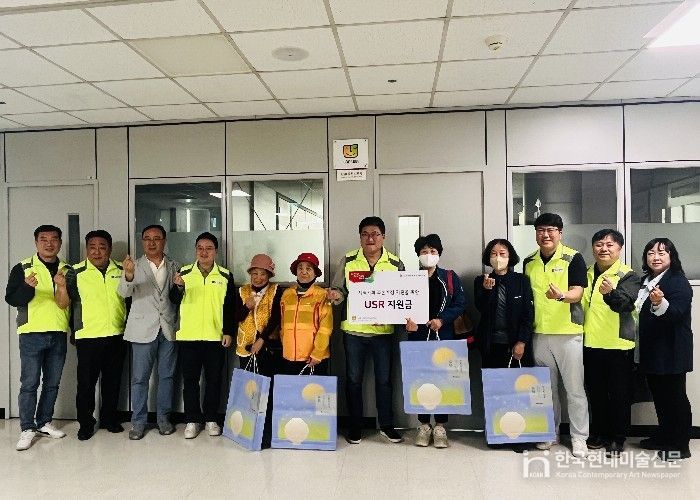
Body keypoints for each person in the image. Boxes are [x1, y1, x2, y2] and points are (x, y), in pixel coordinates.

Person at [328, 216, 405, 444]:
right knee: (353, 380)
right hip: (354, 332)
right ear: (360, 237)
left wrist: (394, 316)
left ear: (383, 237)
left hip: (383, 333)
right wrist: (335, 295)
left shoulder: (396, 264)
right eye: (365, 234)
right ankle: (355, 427)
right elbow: (339, 291)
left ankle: (387, 425)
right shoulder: (348, 260)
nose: (370, 238)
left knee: (384, 381)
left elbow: (402, 297)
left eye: (375, 234)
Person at [522, 213, 589, 458]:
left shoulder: (573, 257)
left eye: (551, 230)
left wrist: (561, 296)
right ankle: (550, 433)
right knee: (546, 389)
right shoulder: (529, 261)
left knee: (574, 389)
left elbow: (578, 292)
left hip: (568, 333)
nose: (546, 235)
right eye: (541, 230)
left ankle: (579, 437)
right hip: (539, 333)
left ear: (560, 233)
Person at [5, 225, 70, 451]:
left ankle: (44, 422)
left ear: (59, 242)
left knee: (52, 383)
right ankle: (27, 428)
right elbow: (11, 299)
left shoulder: (67, 269)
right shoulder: (23, 267)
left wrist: (62, 287)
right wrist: (26, 287)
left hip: (58, 332)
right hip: (31, 333)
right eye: (44, 239)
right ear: (36, 242)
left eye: (54, 239)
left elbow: (69, 302)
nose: (49, 243)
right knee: (30, 383)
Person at [170, 232, 235, 439]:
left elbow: (230, 307)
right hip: (188, 337)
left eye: (208, 248)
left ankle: (211, 419)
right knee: (190, 381)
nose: (204, 252)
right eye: (200, 248)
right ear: (195, 250)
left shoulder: (225, 275)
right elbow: (173, 300)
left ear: (215, 251)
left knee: (214, 380)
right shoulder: (184, 272)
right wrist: (178, 287)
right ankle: (192, 419)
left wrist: (228, 332)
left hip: (215, 337)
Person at [581, 229, 639, 455]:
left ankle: (618, 438)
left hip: (618, 345)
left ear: (619, 249)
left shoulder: (628, 275)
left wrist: (610, 293)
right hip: (591, 343)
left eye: (609, 245)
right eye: (599, 244)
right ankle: (599, 433)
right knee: (595, 393)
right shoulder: (587, 272)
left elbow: (625, 303)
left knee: (619, 395)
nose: (603, 249)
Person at [118, 224, 179, 440]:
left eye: (156, 238)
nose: (152, 242)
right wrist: (128, 275)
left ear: (164, 241)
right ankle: (138, 422)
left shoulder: (174, 265)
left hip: (168, 328)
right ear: (142, 241)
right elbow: (123, 293)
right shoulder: (134, 265)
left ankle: (163, 419)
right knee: (140, 379)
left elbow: (176, 296)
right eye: (147, 238)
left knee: (167, 376)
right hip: (142, 329)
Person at [66, 230, 128, 441]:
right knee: (86, 384)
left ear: (109, 249)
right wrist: (74, 330)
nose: (97, 252)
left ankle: (110, 419)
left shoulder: (122, 270)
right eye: (92, 247)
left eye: (102, 247)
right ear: (87, 249)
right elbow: (67, 305)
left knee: (113, 381)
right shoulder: (75, 272)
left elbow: (129, 300)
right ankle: (85, 424)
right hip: (88, 336)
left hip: (116, 334)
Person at [405, 234, 466, 449]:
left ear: (439, 254)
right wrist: (407, 323)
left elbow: (460, 303)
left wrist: (442, 319)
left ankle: (440, 427)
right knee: (420, 379)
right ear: (418, 255)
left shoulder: (449, 277)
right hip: (418, 338)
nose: (428, 255)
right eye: (424, 251)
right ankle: (423, 426)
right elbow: (399, 306)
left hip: (444, 336)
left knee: (442, 380)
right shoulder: (409, 278)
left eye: (432, 251)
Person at [636, 238, 693, 461]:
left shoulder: (677, 281)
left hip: (672, 350)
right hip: (653, 350)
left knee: (675, 399)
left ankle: (680, 446)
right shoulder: (646, 280)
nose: (656, 257)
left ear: (671, 256)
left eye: (661, 253)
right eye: (651, 253)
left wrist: (660, 303)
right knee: (661, 398)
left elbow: (676, 313)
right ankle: (665, 437)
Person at [233, 253, 283, 449]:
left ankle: (267, 434)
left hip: (268, 348)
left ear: (269, 275)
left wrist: (262, 339)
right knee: (250, 391)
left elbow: (277, 318)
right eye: (255, 273)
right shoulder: (242, 291)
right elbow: (234, 317)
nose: (258, 278)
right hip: (245, 349)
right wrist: (246, 307)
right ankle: (249, 431)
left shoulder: (276, 291)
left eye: (263, 274)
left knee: (268, 391)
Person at [474, 238, 534, 369]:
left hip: (516, 343)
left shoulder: (521, 280)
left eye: (502, 254)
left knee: (517, 380)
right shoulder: (481, 281)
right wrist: (487, 291)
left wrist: (522, 342)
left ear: (509, 256)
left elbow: (528, 314)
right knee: (493, 380)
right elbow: (481, 308)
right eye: (493, 254)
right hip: (490, 343)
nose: (498, 258)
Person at [280, 253, 333, 376]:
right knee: (291, 388)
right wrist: (286, 346)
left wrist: (318, 353)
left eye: (308, 268)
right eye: (300, 268)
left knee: (313, 389)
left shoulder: (322, 295)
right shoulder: (287, 294)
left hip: (313, 358)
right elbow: (283, 325)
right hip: (289, 356)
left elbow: (325, 328)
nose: (303, 272)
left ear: (315, 273)